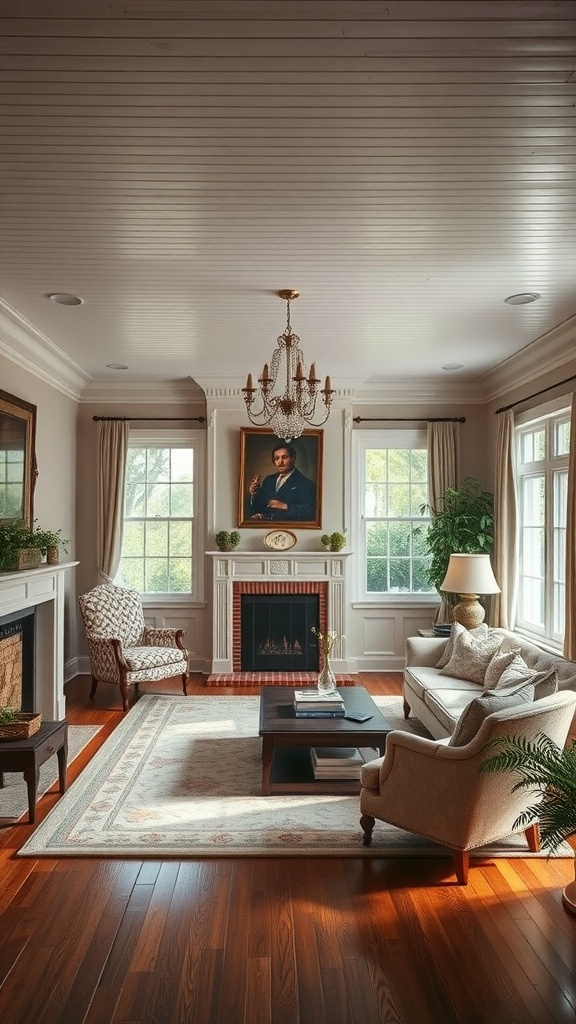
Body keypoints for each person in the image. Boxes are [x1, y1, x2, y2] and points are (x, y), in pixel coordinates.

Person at [247, 442, 316, 521]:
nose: (280, 462)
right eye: (276, 458)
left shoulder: (305, 483)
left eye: (284, 457)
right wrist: (254, 494)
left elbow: (310, 511)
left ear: (293, 458)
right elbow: (258, 507)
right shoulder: (269, 480)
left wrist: (285, 506)